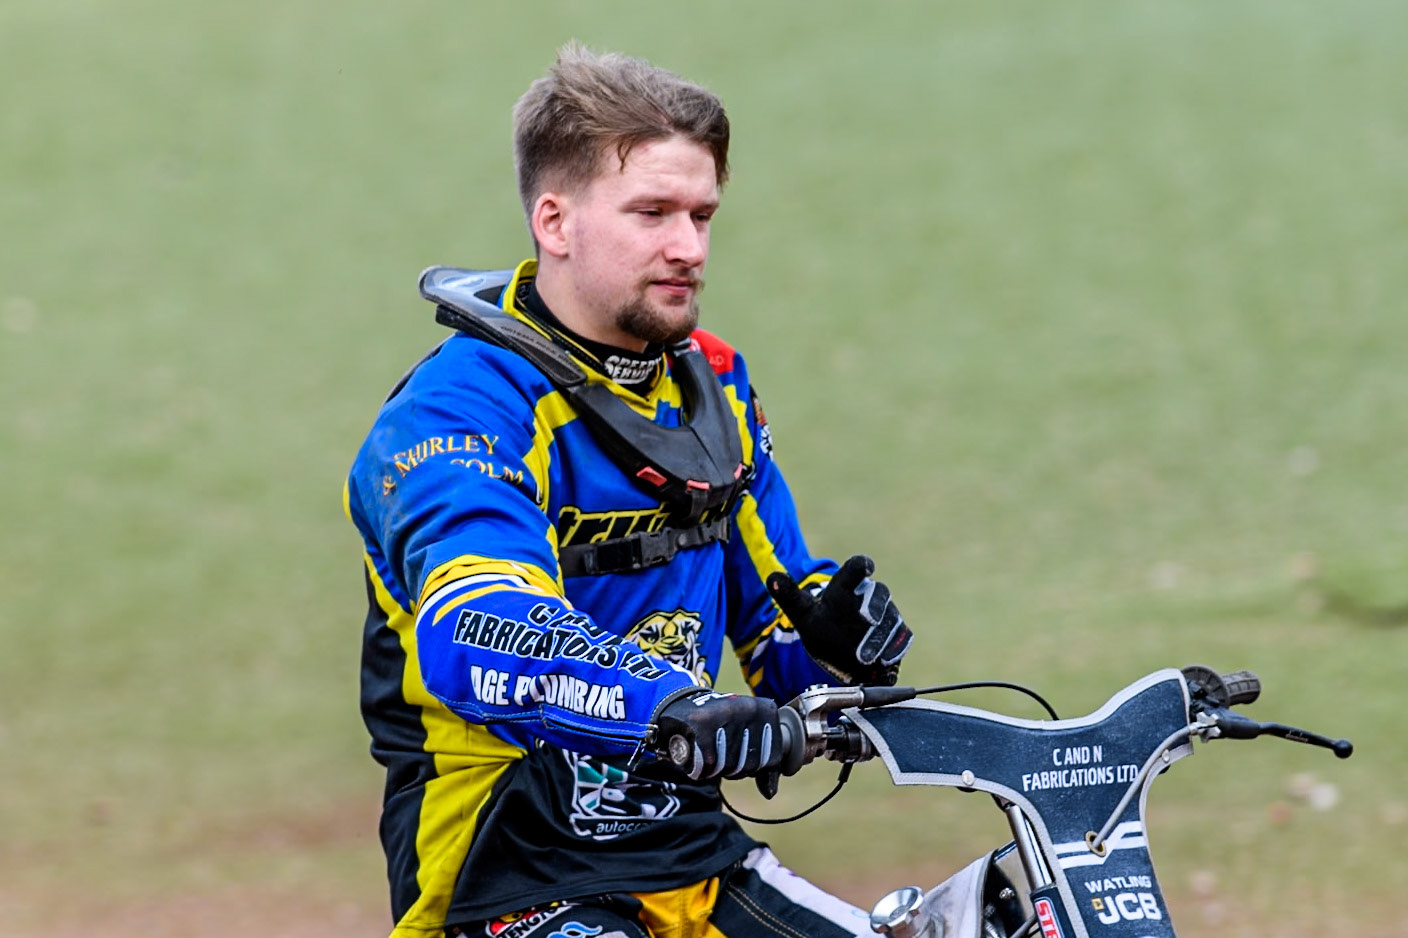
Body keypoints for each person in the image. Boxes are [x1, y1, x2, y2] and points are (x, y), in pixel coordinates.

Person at [345, 42, 913, 938]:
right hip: (506, 867)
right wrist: (669, 704)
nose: (687, 247)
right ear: (555, 221)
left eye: (701, 214)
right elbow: (474, 633)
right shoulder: (459, 410)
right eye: (651, 212)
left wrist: (838, 644)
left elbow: (775, 643)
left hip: (689, 850)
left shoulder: (713, 383)